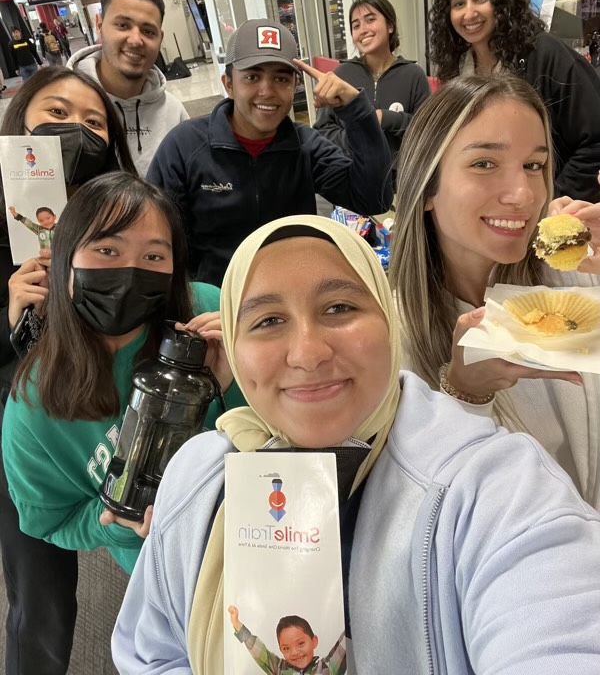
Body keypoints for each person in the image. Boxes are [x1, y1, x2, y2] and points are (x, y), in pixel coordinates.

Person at [112, 213, 600, 675]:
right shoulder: (195, 476)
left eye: (339, 308)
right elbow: (150, 650)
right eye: (267, 321)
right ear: (234, 350)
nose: (307, 354)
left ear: (388, 321)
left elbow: (558, 632)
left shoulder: (496, 488)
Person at [2, 172, 243, 670]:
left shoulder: (207, 311)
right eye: (107, 251)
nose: (131, 272)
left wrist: (238, 373)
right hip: (167, 577)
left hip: (264, 532)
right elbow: (50, 520)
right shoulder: (34, 404)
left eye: (154, 256)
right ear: (63, 258)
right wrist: (114, 525)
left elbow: (285, 428)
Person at [389, 74, 600, 509]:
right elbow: (414, 514)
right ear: (427, 186)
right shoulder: (390, 333)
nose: (523, 195)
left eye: (534, 165)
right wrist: (464, 395)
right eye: (484, 163)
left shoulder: (575, 281)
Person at [0, 66, 139, 675]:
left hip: (104, 406)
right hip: (23, 422)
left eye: (92, 121)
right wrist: (8, 314)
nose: (75, 131)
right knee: (41, 591)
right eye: (56, 114)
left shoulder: (120, 211)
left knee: (138, 531)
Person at [147, 18, 393, 287]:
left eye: (280, 78)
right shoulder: (184, 146)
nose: (267, 91)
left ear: (294, 86)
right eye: (252, 76)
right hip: (214, 305)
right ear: (228, 83)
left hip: (292, 297)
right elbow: (155, 240)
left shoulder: (306, 146)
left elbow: (374, 199)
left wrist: (357, 111)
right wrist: (193, 300)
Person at [429, 0, 600, 202]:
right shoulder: (457, 70)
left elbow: (595, 142)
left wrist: (551, 202)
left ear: (503, 0)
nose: (469, 13)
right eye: (458, 3)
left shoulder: (546, 55)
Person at [67, 0, 189, 176]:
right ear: (99, 25)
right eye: (123, 25)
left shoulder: (174, 112)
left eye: (148, 31)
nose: (135, 40)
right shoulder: (63, 106)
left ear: (160, 38)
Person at [313, 0, 430, 179]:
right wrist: (358, 137)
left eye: (370, 20)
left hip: (402, 181)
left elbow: (428, 131)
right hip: (351, 178)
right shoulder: (342, 75)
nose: (363, 29)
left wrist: (387, 118)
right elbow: (322, 131)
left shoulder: (413, 75)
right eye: (356, 25)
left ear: (390, 26)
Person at [228, 606, 345, 675]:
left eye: (301, 643)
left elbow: (343, 645)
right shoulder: (279, 669)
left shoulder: (326, 668)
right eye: (286, 648)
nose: (294, 652)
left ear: (314, 641)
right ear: (281, 650)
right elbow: (260, 653)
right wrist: (238, 625)